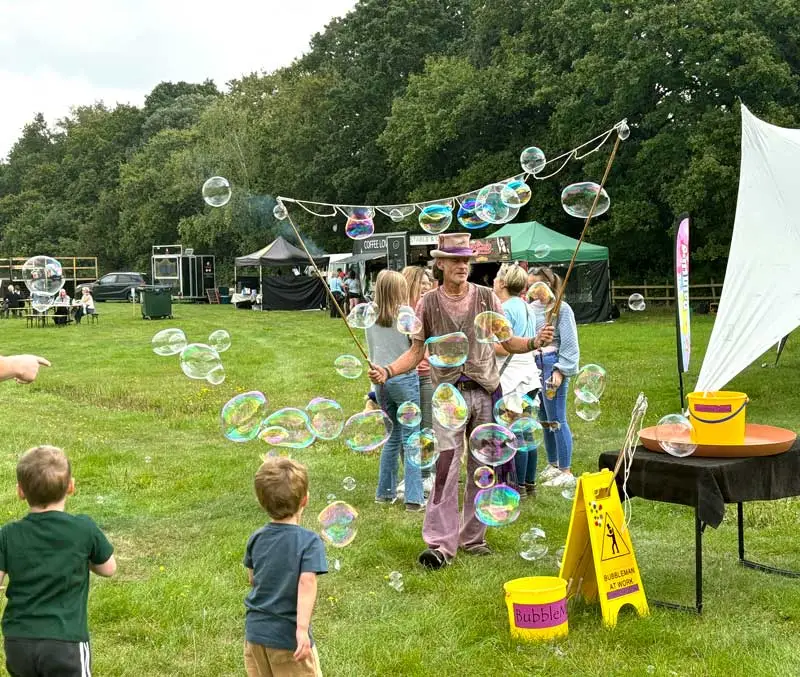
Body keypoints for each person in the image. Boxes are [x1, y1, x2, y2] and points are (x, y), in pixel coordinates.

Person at [369, 233, 554, 569]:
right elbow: (415, 351)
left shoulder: (486, 297)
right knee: (445, 469)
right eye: (455, 260)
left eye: (466, 260)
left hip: (485, 390)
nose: (462, 266)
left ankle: (473, 537)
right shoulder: (429, 303)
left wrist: (533, 342)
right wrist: (388, 370)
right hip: (447, 397)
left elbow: (507, 341)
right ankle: (440, 544)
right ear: (440, 263)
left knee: (483, 466)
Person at [0, 445, 116, 676]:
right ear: (71, 486)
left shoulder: (7, 534)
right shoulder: (83, 529)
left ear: (20, 491)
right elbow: (109, 568)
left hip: (18, 641)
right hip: (66, 642)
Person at [244, 457, 327, 677]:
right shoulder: (309, 541)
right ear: (305, 500)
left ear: (260, 501)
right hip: (287, 639)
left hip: (255, 635)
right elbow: (307, 582)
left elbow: (253, 578)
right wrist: (301, 630)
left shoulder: (256, 538)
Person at [366, 270, 425, 511]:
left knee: (391, 437)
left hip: (380, 380)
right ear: (398, 289)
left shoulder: (369, 313)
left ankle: (385, 493)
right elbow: (415, 345)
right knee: (412, 438)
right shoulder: (405, 313)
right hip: (403, 377)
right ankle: (413, 498)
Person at [492, 263, 541, 498]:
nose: (492, 282)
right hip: (530, 375)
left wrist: (482, 346)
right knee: (527, 431)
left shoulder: (504, 309)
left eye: (495, 278)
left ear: (502, 283)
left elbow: (503, 348)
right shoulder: (527, 306)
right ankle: (529, 482)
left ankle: (517, 486)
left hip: (512, 378)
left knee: (514, 433)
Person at [529, 266, 580, 488]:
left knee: (557, 419)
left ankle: (566, 470)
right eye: (529, 284)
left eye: (535, 284)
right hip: (534, 365)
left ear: (548, 285)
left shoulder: (562, 309)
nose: (531, 289)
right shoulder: (531, 308)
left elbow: (570, 344)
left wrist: (560, 370)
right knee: (544, 419)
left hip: (552, 364)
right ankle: (553, 463)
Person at [402, 265, 435, 497]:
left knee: (427, 428)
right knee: (408, 429)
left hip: (426, 375)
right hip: (406, 376)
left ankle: (428, 475)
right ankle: (412, 475)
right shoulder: (404, 313)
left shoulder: (429, 310)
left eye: (427, 283)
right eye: (421, 283)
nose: (425, 287)